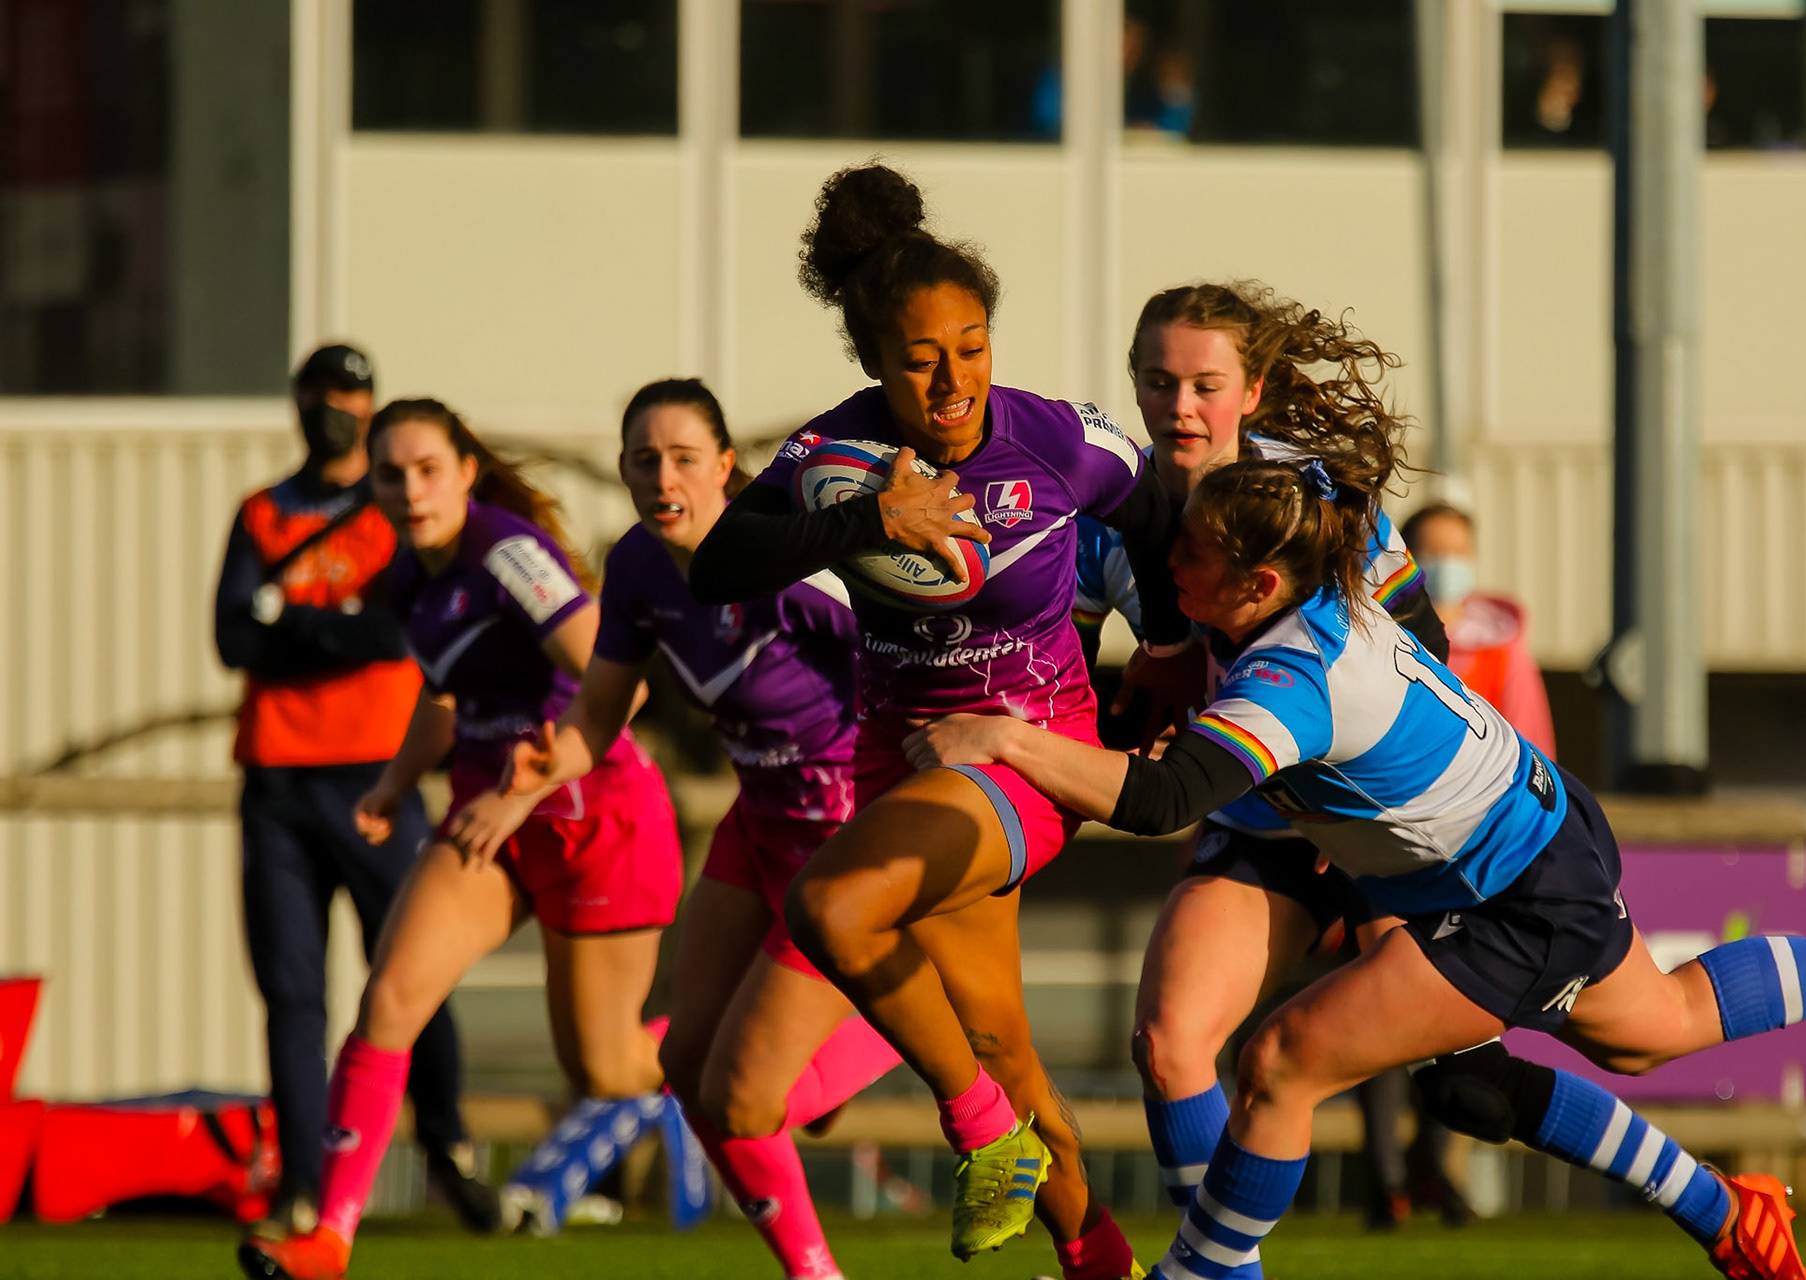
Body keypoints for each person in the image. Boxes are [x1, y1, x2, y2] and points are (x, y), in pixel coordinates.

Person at [909, 454, 1806, 1280]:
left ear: (1258, 584)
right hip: (1508, 843)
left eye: (1193, 552)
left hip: (1512, 889)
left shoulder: (1292, 677)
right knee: (1639, 1034)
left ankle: (1190, 1276)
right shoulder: (1299, 559)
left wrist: (1005, 739)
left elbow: (1162, 801)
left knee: (1282, 1061)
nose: (1168, 558)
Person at [688, 163, 1190, 1280]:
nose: (954, 377)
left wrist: (1161, 649)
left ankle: (978, 1130)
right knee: (1005, 1040)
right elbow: (722, 561)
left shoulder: (1056, 439)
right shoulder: (836, 456)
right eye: (921, 358)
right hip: (904, 764)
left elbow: (1158, 511)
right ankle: (1099, 1256)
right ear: (874, 363)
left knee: (828, 903)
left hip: (1029, 754)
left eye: (972, 344)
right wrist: (872, 516)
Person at [238, 400, 687, 1280]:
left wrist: (523, 798)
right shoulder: (406, 577)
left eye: (428, 470)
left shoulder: (510, 555)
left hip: (596, 820)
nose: (410, 491)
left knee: (609, 1065)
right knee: (391, 996)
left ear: (466, 472)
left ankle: (744, 1043)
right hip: (491, 819)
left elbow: (618, 690)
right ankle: (330, 1237)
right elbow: (445, 696)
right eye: (390, 475)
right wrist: (397, 782)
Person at [1069, 283, 1465, 1245]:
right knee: (1170, 1047)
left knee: (1476, 1079)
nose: (1180, 405)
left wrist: (1344, 798)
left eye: (1207, 383)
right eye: (1159, 382)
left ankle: (1710, 1203)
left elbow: (1429, 646)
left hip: (1380, 817)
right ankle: (1216, 1273)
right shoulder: (1104, 520)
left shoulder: (1320, 497)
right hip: (1260, 827)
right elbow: (1076, 700)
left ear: (1251, 392)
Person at [502, 377, 902, 1278]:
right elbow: (599, 709)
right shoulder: (640, 564)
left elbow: (912, 658)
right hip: (757, 823)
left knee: (743, 1097)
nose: (662, 475)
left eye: (683, 456)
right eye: (643, 459)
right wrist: (543, 766)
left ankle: (899, 1028)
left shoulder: (791, 566)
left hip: (843, 843)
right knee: (687, 1067)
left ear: (725, 466)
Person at [213, 344, 493, 1236]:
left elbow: (384, 632)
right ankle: (302, 1180)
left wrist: (288, 618)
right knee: (292, 989)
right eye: (321, 397)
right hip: (275, 779)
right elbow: (231, 637)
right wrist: (313, 627)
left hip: (377, 775)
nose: (335, 411)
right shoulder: (262, 511)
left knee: (412, 973)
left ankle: (445, 1144)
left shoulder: (387, 509)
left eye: (351, 398)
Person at [1401, 503, 1556, 758]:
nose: (1448, 562)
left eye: (1458, 552)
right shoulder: (1386, 638)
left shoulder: (1501, 647)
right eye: (1434, 551)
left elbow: (1530, 740)